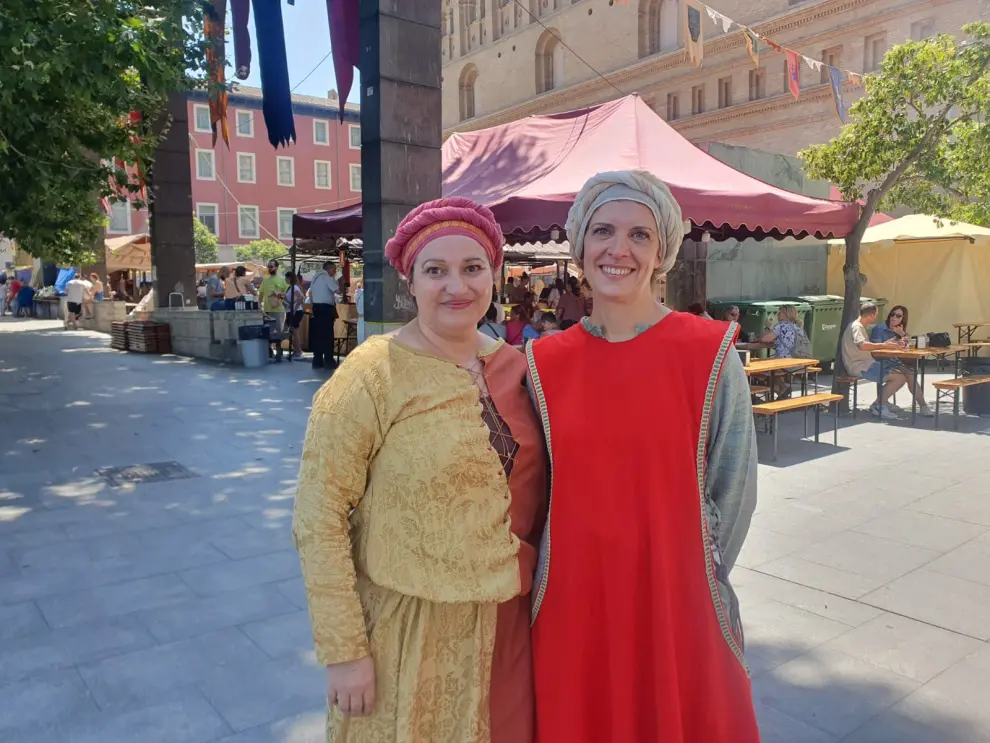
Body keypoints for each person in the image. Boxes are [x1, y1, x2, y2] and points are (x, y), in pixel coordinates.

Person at [293, 196, 547, 743]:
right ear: (411, 282)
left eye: (472, 268)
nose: (457, 285)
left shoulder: (522, 370)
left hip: (511, 630)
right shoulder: (371, 374)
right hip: (406, 636)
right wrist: (344, 651)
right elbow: (319, 514)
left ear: (494, 276)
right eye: (437, 270)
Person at [525, 170, 759, 743]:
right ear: (579, 245)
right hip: (575, 606)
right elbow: (533, 496)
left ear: (662, 254)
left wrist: (686, 572)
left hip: (678, 601)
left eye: (639, 235)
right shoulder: (541, 364)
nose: (619, 249)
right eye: (603, 230)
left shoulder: (709, 354)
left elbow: (733, 489)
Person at [841, 302, 932, 419]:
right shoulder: (858, 327)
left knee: (909, 373)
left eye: (898, 316)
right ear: (872, 315)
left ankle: (885, 402)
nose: (894, 318)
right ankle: (879, 404)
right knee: (900, 378)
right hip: (861, 365)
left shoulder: (859, 326)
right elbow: (864, 346)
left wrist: (901, 336)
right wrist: (886, 345)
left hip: (869, 363)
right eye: (892, 315)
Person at [308, 260, 339, 370]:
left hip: (316, 308)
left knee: (318, 335)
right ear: (329, 269)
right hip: (325, 308)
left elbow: (310, 292)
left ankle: (317, 360)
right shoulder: (326, 277)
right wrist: (339, 281)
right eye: (334, 269)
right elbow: (337, 289)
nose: (335, 272)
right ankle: (329, 360)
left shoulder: (316, 277)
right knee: (327, 335)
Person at [259, 260, 288, 331]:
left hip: (278, 310)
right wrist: (259, 306)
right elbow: (261, 294)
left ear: (277, 267)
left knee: (278, 332)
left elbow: (287, 294)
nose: (269, 268)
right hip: (266, 311)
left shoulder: (283, 279)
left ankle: (278, 342)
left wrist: (278, 295)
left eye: (271, 266)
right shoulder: (265, 280)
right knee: (267, 332)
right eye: (268, 267)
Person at [284, 271, 305, 360]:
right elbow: (292, 301)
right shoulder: (290, 288)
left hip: (295, 312)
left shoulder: (295, 288)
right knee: (291, 330)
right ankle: (296, 349)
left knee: (294, 331)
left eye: (286, 278)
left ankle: (298, 350)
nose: (285, 280)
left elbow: (301, 298)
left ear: (289, 278)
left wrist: (294, 309)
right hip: (290, 311)